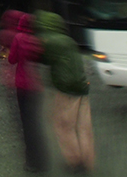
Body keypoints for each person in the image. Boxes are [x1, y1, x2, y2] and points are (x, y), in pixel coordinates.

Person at [35, 11, 95, 174]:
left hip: (67, 89)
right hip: (82, 87)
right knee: (83, 127)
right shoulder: (68, 40)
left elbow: (43, 58)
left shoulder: (50, 41)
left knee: (63, 126)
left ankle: (75, 162)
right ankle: (88, 162)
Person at [8, 13, 47, 173]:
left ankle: (31, 162)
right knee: (36, 123)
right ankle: (43, 160)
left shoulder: (19, 38)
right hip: (37, 86)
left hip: (23, 85)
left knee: (26, 125)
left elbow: (12, 59)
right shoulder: (37, 40)